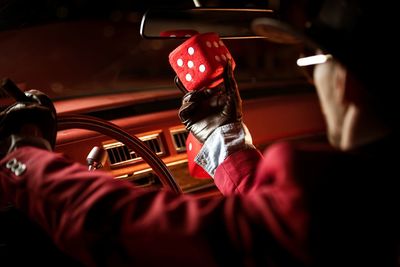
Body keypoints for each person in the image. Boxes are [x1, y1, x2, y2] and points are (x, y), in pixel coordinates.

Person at [0, 0, 399, 266]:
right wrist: (223, 138)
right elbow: (263, 235)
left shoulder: (337, 199)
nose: (313, 78)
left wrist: (25, 154)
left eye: (311, 61)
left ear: (347, 83)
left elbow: (126, 229)